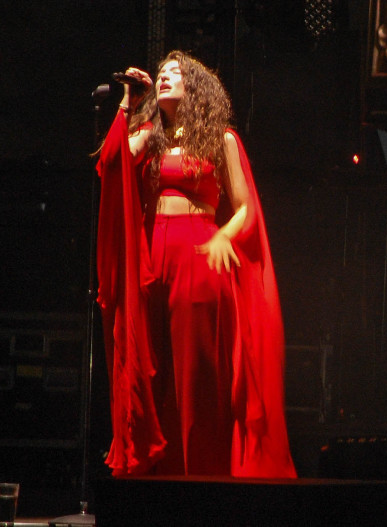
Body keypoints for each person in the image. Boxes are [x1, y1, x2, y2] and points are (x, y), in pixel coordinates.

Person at [95, 50, 296, 478]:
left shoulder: (220, 138)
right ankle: (156, 476)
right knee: (152, 375)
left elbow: (246, 208)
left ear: (196, 87)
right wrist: (129, 102)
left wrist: (224, 234)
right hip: (151, 260)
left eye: (174, 74)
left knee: (193, 379)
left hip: (198, 257)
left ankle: (199, 478)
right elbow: (112, 163)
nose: (165, 78)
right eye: (161, 74)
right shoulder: (150, 135)